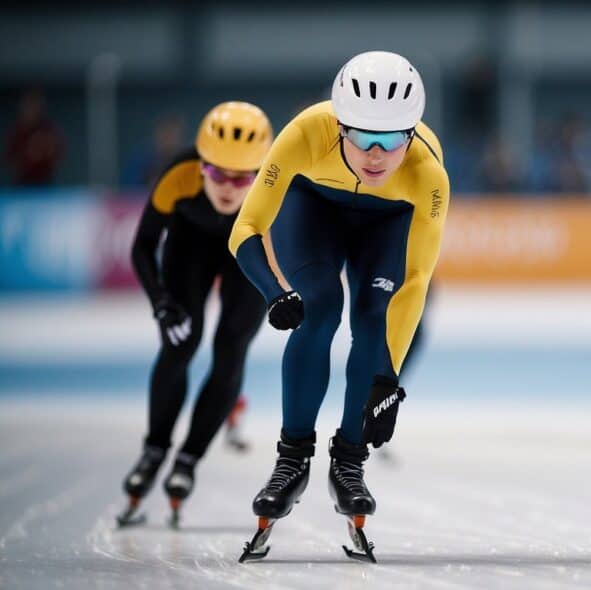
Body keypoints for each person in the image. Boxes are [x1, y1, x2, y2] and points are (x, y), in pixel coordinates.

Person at [231, 51, 449, 564]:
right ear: (338, 125)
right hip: (313, 209)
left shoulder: (427, 175)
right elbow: (246, 228)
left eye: (393, 139)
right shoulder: (304, 135)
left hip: (386, 221)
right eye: (361, 136)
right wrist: (274, 293)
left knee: (374, 318)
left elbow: (415, 282)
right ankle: (291, 461)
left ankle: (349, 462)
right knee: (321, 307)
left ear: (413, 134)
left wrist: (388, 380)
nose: (376, 154)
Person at [116, 102, 274, 528]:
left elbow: (300, 248)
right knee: (180, 343)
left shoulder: (280, 184)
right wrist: (160, 302)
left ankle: (188, 459)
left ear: (261, 173)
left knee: (231, 351)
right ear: (201, 164)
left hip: (247, 251)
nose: (226, 187)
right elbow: (143, 245)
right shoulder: (179, 172)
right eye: (216, 173)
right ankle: (154, 450)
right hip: (189, 249)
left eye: (241, 177)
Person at [5, 89, 63, 186]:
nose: (31, 110)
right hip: (22, 186)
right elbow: (9, 159)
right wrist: (29, 153)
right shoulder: (16, 131)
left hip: (45, 184)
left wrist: (45, 149)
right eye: (28, 106)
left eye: (35, 106)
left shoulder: (48, 129)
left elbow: (58, 153)